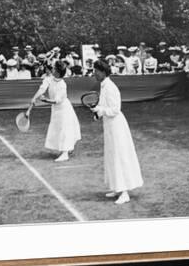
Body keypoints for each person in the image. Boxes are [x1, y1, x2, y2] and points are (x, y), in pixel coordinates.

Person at [91, 60, 144, 204]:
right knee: (112, 156)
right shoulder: (103, 86)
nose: (94, 73)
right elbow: (103, 106)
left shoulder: (110, 87)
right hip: (109, 126)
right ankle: (117, 188)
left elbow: (115, 109)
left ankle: (124, 193)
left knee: (119, 157)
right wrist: (98, 112)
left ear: (103, 72)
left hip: (117, 127)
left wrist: (100, 110)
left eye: (96, 70)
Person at [31, 60, 81, 162]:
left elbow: (57, 101)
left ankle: (65, 153)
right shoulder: (49, 79)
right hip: (56, 110)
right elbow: (42, 89)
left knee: (64, 130)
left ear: (58, 72)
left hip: (64, 109)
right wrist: (34, 98)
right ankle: (67, 149)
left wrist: (45, 100)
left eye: (54, 68)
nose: (52, 69)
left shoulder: (62, 85)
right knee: (58, 129)